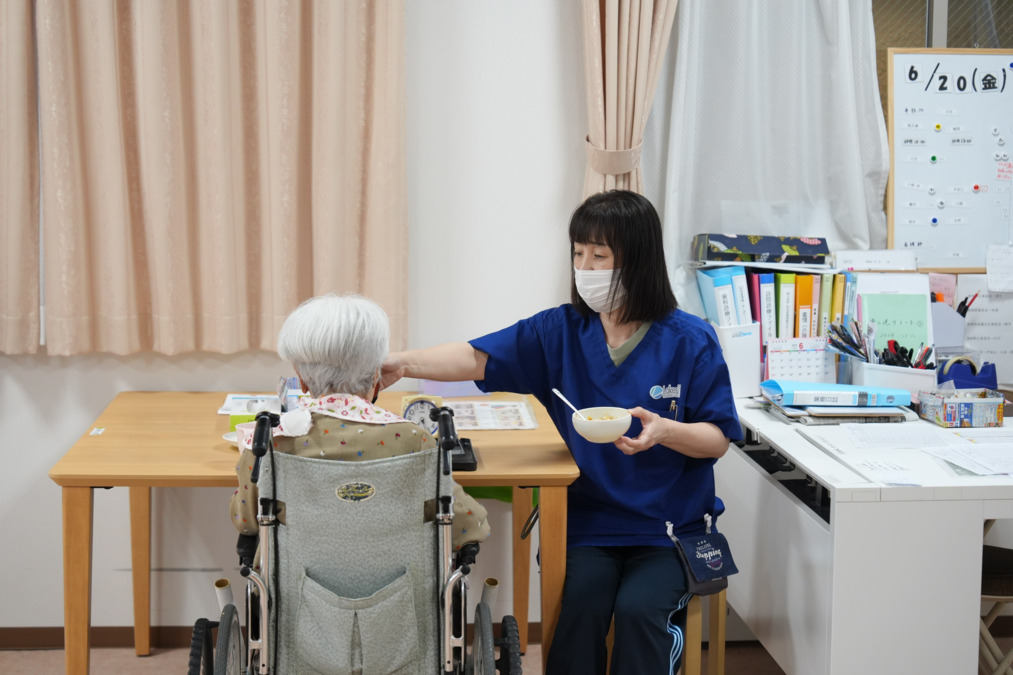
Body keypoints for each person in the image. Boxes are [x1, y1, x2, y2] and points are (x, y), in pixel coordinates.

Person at [380, 190, 742, 674]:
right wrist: (402, 363)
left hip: (668, 529)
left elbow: (717, 438)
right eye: (578, 253)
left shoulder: (691, 339)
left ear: (637, 260)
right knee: (581, 609)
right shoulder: (561, 331)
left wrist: (665, 431)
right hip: (587, 523)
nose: (585, 268)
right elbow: (475, 356)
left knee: (639, 612)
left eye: (600, 256)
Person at [229, 293, 490, 555]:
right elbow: (470, 525)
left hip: (295, 580)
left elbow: (246, 521)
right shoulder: (414, 439)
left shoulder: (268, 443)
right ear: (377, 374)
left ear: (302, 380)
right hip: (401, 580)